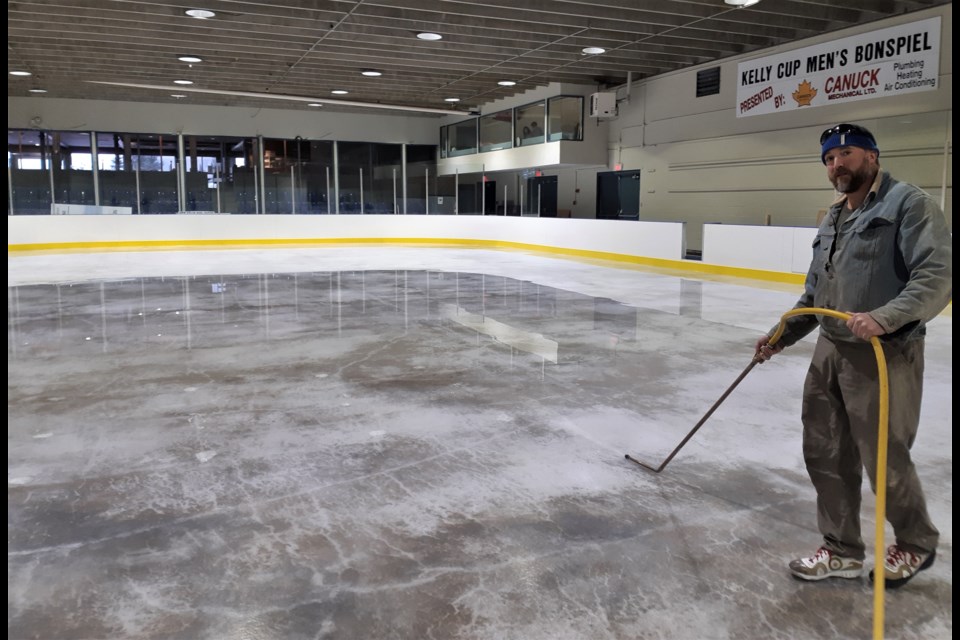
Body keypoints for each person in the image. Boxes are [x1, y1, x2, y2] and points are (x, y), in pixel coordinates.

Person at [755, 123, 952, 589]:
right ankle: (841, 549)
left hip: (883, 352)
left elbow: (937, 276)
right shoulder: (834, 217)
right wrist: (779, 335)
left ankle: (915, 543)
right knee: (825, 450)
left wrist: (885, 317)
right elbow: (816, 292)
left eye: (846, 153)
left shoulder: (910, 204)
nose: (837, 164)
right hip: (830, 351)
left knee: (884, 455)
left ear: (872, 156)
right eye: (828, 158)